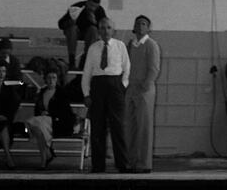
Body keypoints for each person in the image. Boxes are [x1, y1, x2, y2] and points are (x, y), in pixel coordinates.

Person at [81, 17, 131, 173]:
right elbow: (87, 72)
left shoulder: (120, 46)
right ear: (99, 30)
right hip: (98, 87)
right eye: (102, 28)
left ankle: (122, 164)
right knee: (97, 128)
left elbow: (127, 68)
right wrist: (86, 93)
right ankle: (98, 165)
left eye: (108, 27)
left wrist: (122, 86)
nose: (105, 31)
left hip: (115, 86)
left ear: (113, 30)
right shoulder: (93, 48)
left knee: (118, 127)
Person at [126, 14, 161, 174]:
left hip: (144, 90)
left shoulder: (151, 45)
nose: (140, 26)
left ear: (148, 28)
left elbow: (154, 69)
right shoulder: (130, 45)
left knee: (144, 127)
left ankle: (143, 163)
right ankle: (130, 161)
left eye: (144, 23)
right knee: (130, 126)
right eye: (138, 23)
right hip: (130, 88)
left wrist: (144, 87)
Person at [27, 67, 81, 168]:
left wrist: (50, 114)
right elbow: (37, 109)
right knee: (37, 128)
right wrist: (42, 113)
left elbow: (65, 112)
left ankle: (45, 158)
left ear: (57, 79)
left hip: (58, 122)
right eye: (49, 78)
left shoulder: (62, 93)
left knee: (35, 123)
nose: (51, 80)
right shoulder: (42, 92)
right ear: (45, 80)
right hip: (43, 120)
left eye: (54, 78)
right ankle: (47, 154)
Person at [60, 0, 105, 68]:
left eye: (95, 7)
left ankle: (86, 58)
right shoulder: (77, 7)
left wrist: (95, 23)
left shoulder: (99, 11)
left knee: (93, 29)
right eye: (91, 5)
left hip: (90, 35)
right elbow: (61, 24)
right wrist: (70, 22)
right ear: (87, 2)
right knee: (72, 28)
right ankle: (72, 60)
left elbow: (104, 26)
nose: (92, 8)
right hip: (75, 33)